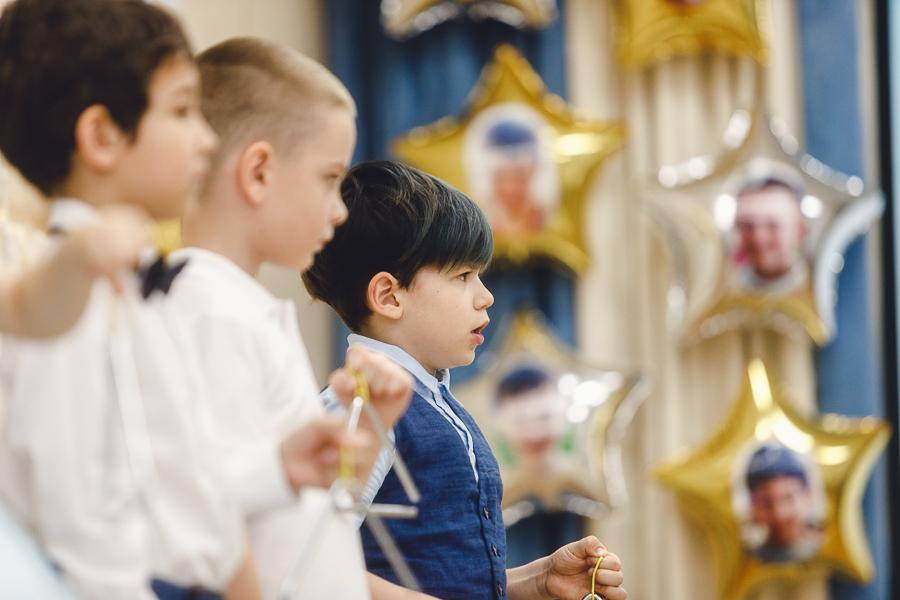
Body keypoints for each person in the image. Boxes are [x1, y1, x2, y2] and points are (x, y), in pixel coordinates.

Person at [0, 1, 258, 596]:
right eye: (183, 111)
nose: (207, 139)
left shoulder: (143, 281)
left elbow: (186, 480)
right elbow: (82, 526)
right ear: (102, 136)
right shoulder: (67, 300)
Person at [305, 160, 627, 600]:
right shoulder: (361, 407)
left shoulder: (436, 402)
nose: (486, 296)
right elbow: (312, 562)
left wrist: (536, 580)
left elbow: (442, 572)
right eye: (462, 276)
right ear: (389, 296)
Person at [169, 36, 413, 598]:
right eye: (329, 180)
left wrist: (367, 432)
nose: (340, 209)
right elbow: (217, 522)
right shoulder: (210, 310)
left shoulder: (240, 306)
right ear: (258, 172)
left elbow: (303, 513)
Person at [743, 443, 823, 563]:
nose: (780, 513)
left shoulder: (825, 551)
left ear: (808, 496)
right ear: (753, 507)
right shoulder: (747, 559)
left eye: (789, 498)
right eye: (766, 502)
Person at [733, 177, 808, 294]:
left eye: (772, 225)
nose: (759, 237)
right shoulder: (718, 290)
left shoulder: (820, 290)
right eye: (748, 225)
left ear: (800, 229)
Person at [478, 120, 546, 235]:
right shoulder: (482, 224)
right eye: (500, 178)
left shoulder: (545, 220)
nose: (509, 188)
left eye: (520, 178)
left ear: (533, 173)